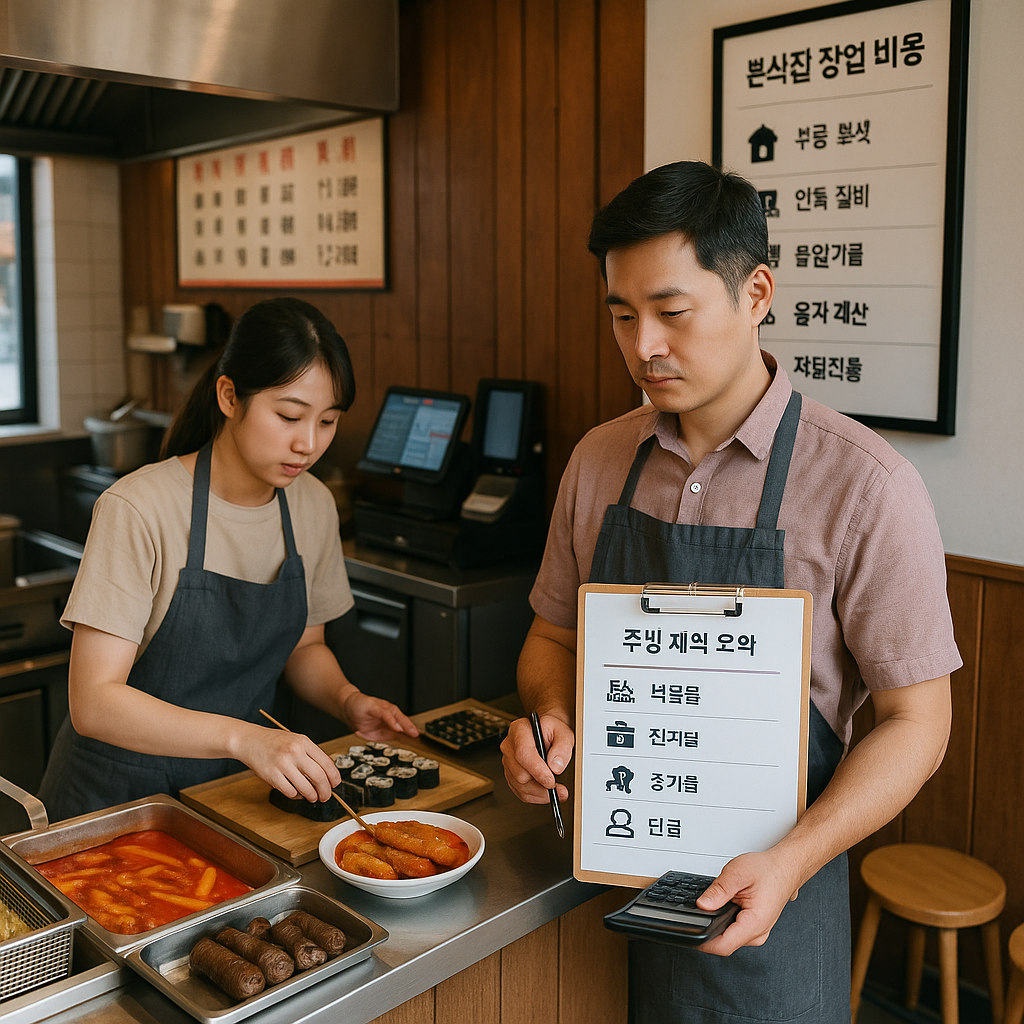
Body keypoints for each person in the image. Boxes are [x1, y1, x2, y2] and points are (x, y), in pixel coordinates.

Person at [500, 161, 960, 1023]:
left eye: (672, 313)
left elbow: (917, 722)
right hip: (603, 886)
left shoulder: (865, 485)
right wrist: (550, 719)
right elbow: (551, 639)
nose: (643, 347)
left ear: (755, 292)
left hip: (772, 908)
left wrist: (792, 860)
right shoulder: (600, 458)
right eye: (622, 315)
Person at [39, 297, 417, 820]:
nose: (307, 443)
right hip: (113, 803)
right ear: (229, 396)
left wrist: (348, 700)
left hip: (230, 798)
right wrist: (246, 740)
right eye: (288, 415)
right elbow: (94, 701)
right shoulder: (138, 508)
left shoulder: (312, 506)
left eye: (328, 421)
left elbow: (305, 646)